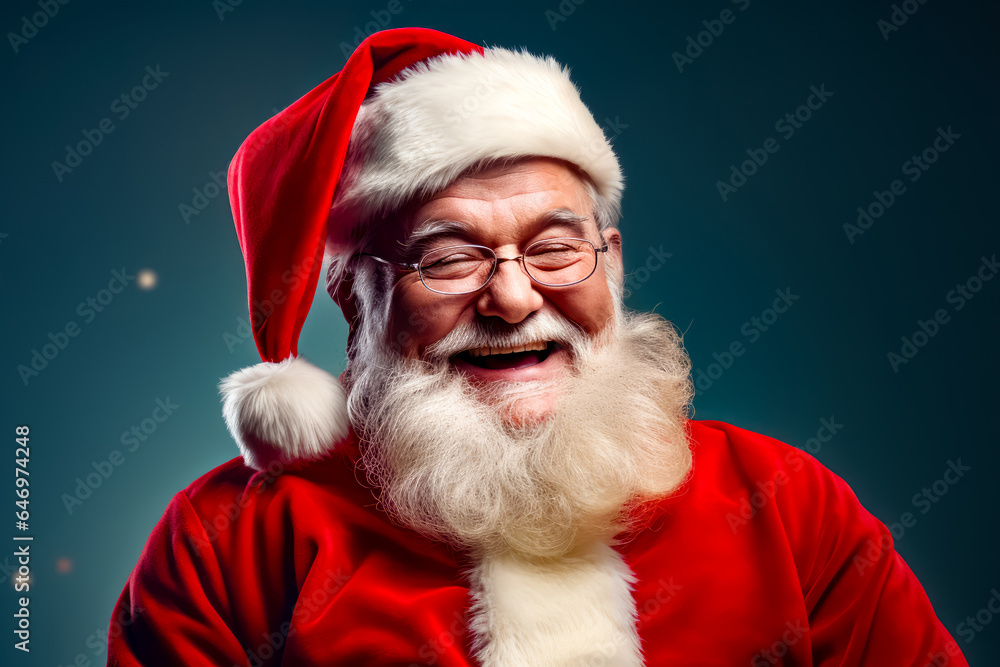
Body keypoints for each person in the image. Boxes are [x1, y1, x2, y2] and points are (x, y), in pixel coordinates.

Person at [106, 27, 967, 666]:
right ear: (350, 291)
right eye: (448, 257)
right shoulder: (227, 543)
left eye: (556, 247)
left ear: (613, 261)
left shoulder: (788, 505)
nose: (515, 298)